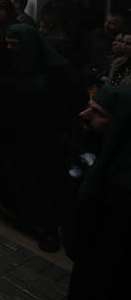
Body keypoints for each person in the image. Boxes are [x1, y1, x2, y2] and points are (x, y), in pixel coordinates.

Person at [0, 24, 78, 252]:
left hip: (39, 133)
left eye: (15, 45)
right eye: (7, 43)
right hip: (5, 125)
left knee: (39, 178)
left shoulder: (56, 70)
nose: (10, 48)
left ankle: (46, 227)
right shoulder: (8, 61)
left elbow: (69, 101)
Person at [66, 86, 131, 300]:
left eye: (100, 113)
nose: (84, 115)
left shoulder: (118, 184)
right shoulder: (95, 147)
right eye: (89, 107)